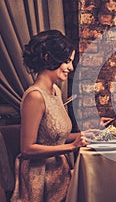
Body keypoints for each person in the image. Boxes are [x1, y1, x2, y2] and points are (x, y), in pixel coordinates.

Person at [10, 30, 87, 202]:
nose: (71, 67)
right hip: (39, 178)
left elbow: (56, 136)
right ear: (48, 58)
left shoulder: (55, 91)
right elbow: (27, 149)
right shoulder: (35, 96)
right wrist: (72, 147)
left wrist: (86, 134)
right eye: (67, 61)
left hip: (58, 173)